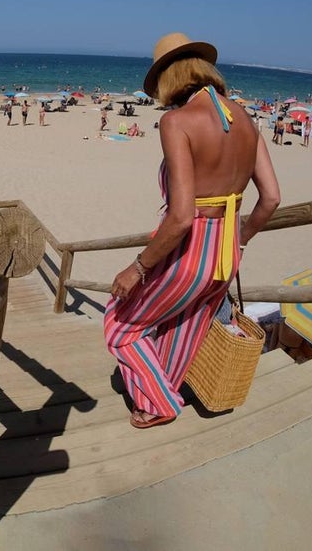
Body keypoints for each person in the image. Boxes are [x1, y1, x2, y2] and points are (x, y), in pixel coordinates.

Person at [106, 32, 281, 430]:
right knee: (187, 323)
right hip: (226, 249)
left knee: (120, 324)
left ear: (169, 77)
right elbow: (270, 198)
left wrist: (137, 267)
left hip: (191, 248)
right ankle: (159, 393)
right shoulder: (247, 120)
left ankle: (162, 401)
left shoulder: (177, 122)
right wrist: (241, 237)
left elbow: (182, 216)